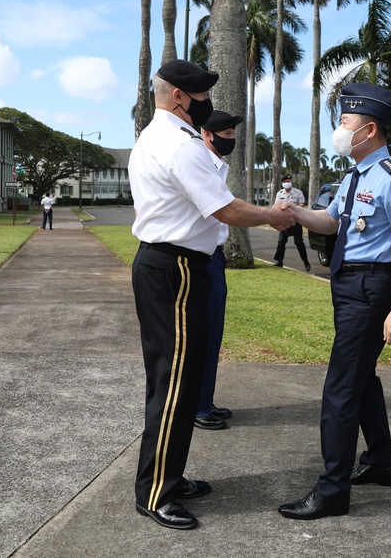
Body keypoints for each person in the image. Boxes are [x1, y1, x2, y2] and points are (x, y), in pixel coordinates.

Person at [128, 59, 295, 531]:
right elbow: (224, 209)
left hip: (168, 266)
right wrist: (272, 214)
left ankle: (169, 476)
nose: (208, 104)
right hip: (177, 269)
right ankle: (155, 492)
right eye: (201, 96)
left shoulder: (154, 136)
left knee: (175, 380)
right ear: (179, 97)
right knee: (175, 383)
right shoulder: (182, 147)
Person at [277, 83, 391, 520]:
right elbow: (331, 222)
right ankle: (380, 460)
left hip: (372, 289)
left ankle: (333, 489)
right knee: (362, 378)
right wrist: (293, 213)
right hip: (347, 286)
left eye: (345, 123)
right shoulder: (354, 176)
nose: (339, 131)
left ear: (369, 129)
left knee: (340, 388)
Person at [193, 109, 242, 432]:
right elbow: (225, 210)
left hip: (216, 258)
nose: (231, 140)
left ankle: (205, 400)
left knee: (214, 335)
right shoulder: (200, 165)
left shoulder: (216, 165)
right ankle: (197, 407)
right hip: (203, 258)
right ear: (207, 135)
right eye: (225, 135)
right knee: (204, 334)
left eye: (233, 134)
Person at [273, 174, 312, 272]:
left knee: (299, 242)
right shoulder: (280, 193)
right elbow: (277, 205)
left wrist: (293, 207)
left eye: (289, 181)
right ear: (282, 183)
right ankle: (279, 262)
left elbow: (302, 204)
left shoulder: (298, 193)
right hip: (283, 221)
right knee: (281, 242)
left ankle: (306, 262)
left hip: (296, 221)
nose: (287, 183)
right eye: (285, 181)